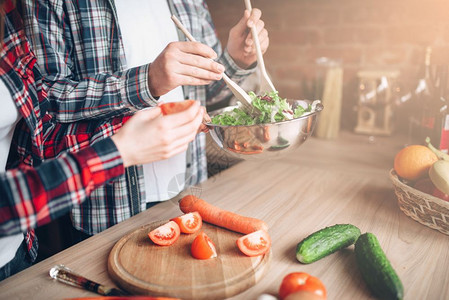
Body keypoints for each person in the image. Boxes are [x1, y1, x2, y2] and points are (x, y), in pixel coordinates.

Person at [20, 0, 270, 241]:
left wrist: (236, 60)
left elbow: (209, 91)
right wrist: (148, 81)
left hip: (190, 191)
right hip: (110, 206)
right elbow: (45, 104)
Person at [0, 0, 204, 280]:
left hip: (19, 248)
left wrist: (234, 60)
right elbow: (51, 104)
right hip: (105, 206)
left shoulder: (8, 21)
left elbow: (39, 136)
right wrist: (120, 148)